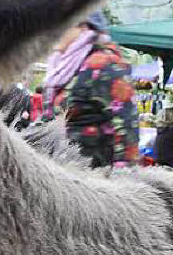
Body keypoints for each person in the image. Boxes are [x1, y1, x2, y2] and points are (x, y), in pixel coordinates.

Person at [43, 10, 138, 167]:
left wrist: (124, 174)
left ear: (83, 26)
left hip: (94, 175)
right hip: (59, 170)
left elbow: (126, 123)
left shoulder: (103, 64)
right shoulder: (61, 66)